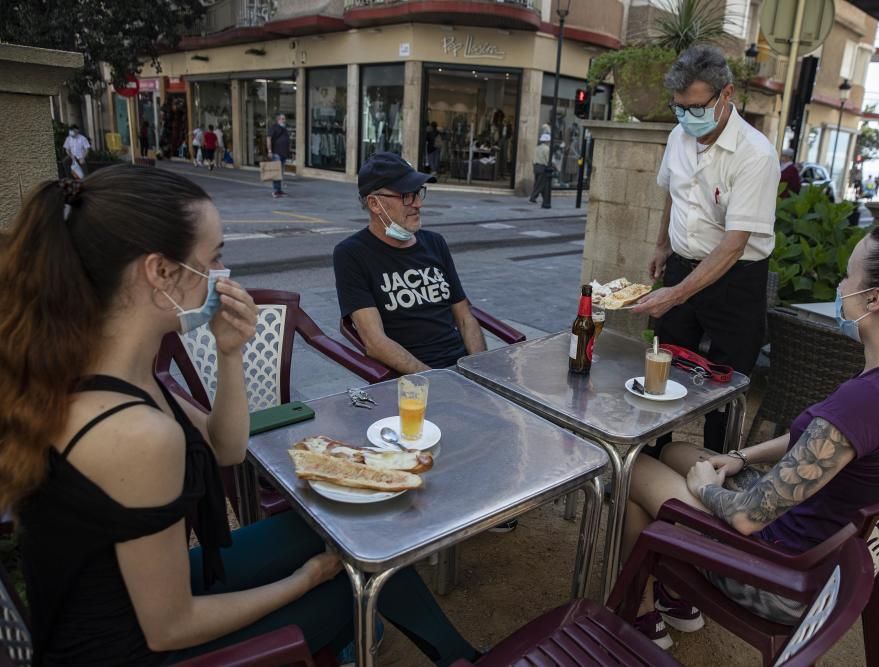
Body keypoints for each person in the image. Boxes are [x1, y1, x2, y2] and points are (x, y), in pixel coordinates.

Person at [0, 165, 481, 666]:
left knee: (350, 531)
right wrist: (302, 582)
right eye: (214, 259)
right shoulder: (135, 433)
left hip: (127, 596)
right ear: (160, 272)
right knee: (355, 587)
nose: (222, 277)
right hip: (128, 648)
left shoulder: (105, 366)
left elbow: (227, 447)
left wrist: (230, 354)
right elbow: (169, 627)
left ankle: (458, 657)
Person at [623, 222, 879, 649]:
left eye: (849, 276)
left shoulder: (870, 399)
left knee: (634, 469)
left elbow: (747, 517)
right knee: (675, 449)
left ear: (874, 299)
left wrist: (709, 490)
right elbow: (828, 443)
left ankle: (641, 613)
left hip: (778, 576)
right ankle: (677, 595)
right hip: (820, 545)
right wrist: (743, 457)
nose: (840, 286)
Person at [333, 153, 516, 533]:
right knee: (459, 422)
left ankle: (482, 497)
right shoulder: (352, 254)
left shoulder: (434, 244)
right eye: (406, 196)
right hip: (408, 380)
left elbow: (465, 316)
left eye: (419, 192)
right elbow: (374, 342)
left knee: (517, 416)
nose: (417, 203)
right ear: (375, 203)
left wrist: (477, 370)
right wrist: (438, 379)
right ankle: (452, 508)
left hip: (459, 368)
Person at [633, 45, 779, 453]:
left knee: (726, 386)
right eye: (678, 107)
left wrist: (674, 295)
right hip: (681, 265)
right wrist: (662, 245)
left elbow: (734, 245)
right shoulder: (677, 135)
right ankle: (652, 459)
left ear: (726, 94)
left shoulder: (755, 155)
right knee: (663, 371)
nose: (686, 117)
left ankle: (717, 472)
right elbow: (672, 193)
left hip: (736, 280)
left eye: (695, 107)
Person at [266, 113, 291, 198]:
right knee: (276, 173)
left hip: (283, 154)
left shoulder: (284, 128)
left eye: (284, 119)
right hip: (276, 153)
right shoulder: (274, 128)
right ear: (278, 119)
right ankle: (276, 191)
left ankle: (279, 190)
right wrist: (269, 151)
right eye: (282, 119)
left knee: (280, 173)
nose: (284, 120)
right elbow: (268, 138)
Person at [528, 133, 551, 204]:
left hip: (536, 167)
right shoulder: (547, 149)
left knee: (540, 183)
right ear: (547, 141)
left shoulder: (537, 148)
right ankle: (533, 197)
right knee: (540, 184)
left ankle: (545, 199)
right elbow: (548, 160)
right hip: (542, 167)